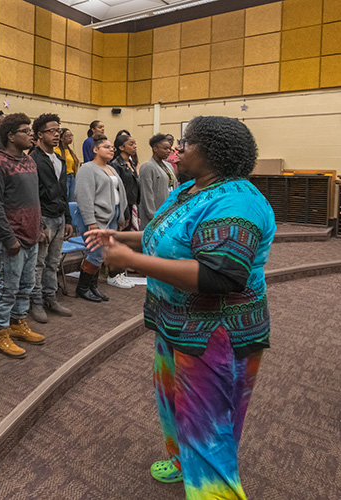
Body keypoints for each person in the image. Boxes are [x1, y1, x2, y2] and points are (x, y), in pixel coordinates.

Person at [85, 116, 275, 500]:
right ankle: (178, 461)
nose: (177, 149)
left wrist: (131, 260)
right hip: (175, 322)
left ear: (214, 153)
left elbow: (220, 275)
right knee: (172, 403)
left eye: (187, 143)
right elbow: (167, 233)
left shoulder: (237, 201)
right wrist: (120, 236)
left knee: (208, 428)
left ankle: (213, 491)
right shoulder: (189, 189)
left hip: (216, 334)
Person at [0, 113, 44, 359]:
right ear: (10, 136)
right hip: (11, 238)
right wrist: (9, 238)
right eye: (25, 131)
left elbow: (34, 198)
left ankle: (17, 322)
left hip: (31, 235)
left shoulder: (30, 161)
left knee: (26, 285)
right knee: (7, 287)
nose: (31, 134)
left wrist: (39, 228)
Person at [28, 113, 73, 324]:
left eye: (58, 130)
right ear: (39, 134)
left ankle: (50, 298)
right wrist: (38, 225)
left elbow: (63, 192)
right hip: (44, 218)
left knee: (53, 263)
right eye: (52, 131)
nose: (57, 134)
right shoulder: (33, 159)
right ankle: (35, 302)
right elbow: (32, 195)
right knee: (38, 264)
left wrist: (69, 219)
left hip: (59, 217)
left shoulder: (60, 159)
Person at [74, 135, 128, 301]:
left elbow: (119, 193)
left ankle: (92, 287)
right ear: (95, 150)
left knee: (102, 253)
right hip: (96, 218)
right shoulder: (87, 168)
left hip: (112, 216)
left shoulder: (111, 168)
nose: (111, 149)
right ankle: (82, 288)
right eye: (106, 147)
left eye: (112, 147)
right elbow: (84, 196)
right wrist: (91, 221)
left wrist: (121, 216)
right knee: (96, 253)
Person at [139, 133, 177, 229]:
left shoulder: (168, 165)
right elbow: (147, 194)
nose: (168, 151)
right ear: (155, 149)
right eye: (165, 149)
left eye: (169, 148)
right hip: (155, 215)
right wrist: (153, 216)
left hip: (169, 210)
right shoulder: (147, 167)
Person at [110, 134, 140, 231]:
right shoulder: (116, 165)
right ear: (121, 147)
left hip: (133, 205)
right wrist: (125, 213)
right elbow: (119, 189)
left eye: (135, 143)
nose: (134, 146)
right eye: (131, 144)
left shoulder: (131, 163)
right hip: (124, 206)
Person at [55, 128, 79, 202]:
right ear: (61, 138)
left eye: (71, 135)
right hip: (64, 177)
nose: (70, 137)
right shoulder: (57, 151)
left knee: (72, 199)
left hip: (72, 176)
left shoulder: (71, 151)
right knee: (65, 197)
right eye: (67, 136)